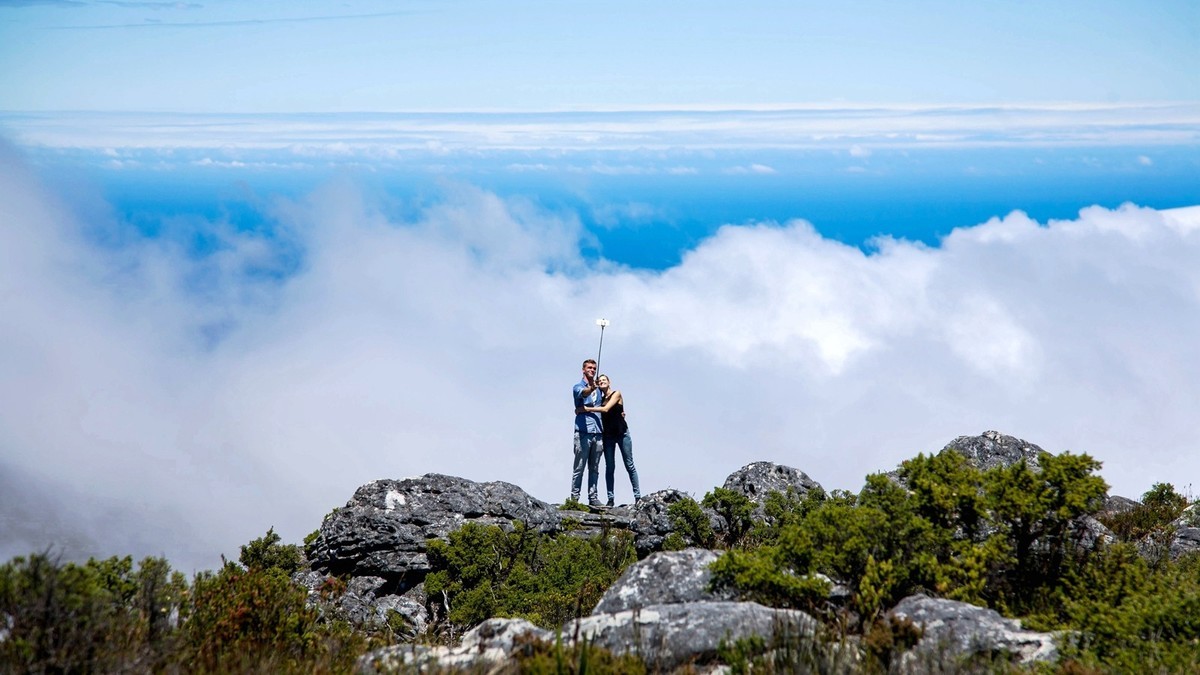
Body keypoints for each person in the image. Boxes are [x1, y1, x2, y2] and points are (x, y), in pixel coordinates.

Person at [585, 374, 642, 507]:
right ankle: (611, 498)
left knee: (629, 464)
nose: (602, 382)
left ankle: (637, 496)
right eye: (600, 381)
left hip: (622, 433)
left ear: (609, 382)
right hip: (608, 435)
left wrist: (587, 409)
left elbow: (606, 409)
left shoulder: (616, 394)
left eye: (604, 380)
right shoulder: (599, 399)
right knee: (609, 467)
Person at [571, 359, 604, 506]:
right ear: (583, 370)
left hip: (598, 433)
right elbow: (583, 394)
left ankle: (593, 497)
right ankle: (574, 499)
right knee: (579, 467)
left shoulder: (599, 390)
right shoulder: (578, 386)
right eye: (589, 368)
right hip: (583, 432)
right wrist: (591, 388)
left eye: (594, 368)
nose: (592, 370)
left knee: (595, 468)